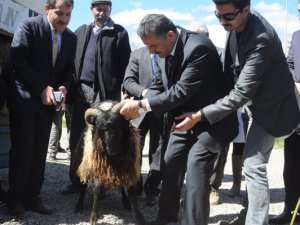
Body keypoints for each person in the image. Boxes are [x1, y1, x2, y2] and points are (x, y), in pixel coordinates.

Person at [173, 0, 300, 224]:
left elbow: (241, 92)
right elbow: (230, 70)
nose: (222, 21)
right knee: (251, 163)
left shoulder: (261, 38)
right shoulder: (234, 24)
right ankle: (248, 214)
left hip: (274, 108)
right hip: (254, 104)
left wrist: (200, 115)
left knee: (253, 165)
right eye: (217, 15)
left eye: (228, 17)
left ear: (246, 10)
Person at [120, 14, 238, 225]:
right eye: (147, 47)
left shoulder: (199, 47)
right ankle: (166, 217)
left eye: (153, 46)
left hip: (210, 121)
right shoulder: (163, 51)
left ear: (171, 34)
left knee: (196, 170)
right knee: (170, 161)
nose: (151, 52)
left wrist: (139, 106)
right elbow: (158, 86)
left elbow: (181, 91)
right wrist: (139, 104)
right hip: (183, 121)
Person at [5, 0, 76, 219]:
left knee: (39, 152)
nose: (64, 19)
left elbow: (69, 70)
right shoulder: (29, 26)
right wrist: (41, 88)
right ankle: (14, 201)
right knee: (23, 151)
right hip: (25, 99)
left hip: (48, 105)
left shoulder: (71, 37)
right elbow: (17, 62)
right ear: (47, 9)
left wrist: (64, 87)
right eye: (59, 13)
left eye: (68, 14)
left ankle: (33, 197)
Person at [61, 0, 131, 195]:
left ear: (110, 10)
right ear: (91, 10)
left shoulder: (119, 32)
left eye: (105, 9)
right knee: (77, 136)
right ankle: (77, 182)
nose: (101, 13)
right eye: (98, 9)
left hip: (105, 94)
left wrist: (125, 90)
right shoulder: (81, 31)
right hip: (80, 90)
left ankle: (104, 183)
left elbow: (126, 65)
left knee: (105, 139)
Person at [122, 46, 167, 206]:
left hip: (161, 110)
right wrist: (144, 92)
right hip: (138, 110)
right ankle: (135, 186)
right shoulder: (137, 54)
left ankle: (152, 189)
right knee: (134, 151)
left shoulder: (167, 51)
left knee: (158, 152)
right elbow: (128, 81)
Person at [269, 10, 300, 224]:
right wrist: (294, 83)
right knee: (291, 168)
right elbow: (289, 65)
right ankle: (291, 211)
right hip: (296, 113)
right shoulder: (297, 35)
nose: (299, 9)